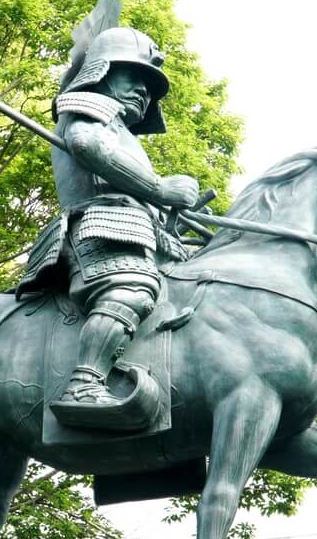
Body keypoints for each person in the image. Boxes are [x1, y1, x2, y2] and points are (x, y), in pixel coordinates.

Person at [16, 27, 198, 426]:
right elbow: (87, 146)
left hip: (130, 226)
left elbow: (139, 204)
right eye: (133, 77)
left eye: (149, 86)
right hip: (100, 225)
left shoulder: (123, 131)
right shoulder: (88, 105)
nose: (143, 92)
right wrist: (159, 187)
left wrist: (170, 235)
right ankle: (85, 382)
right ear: (102, 72)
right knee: (131, 289)